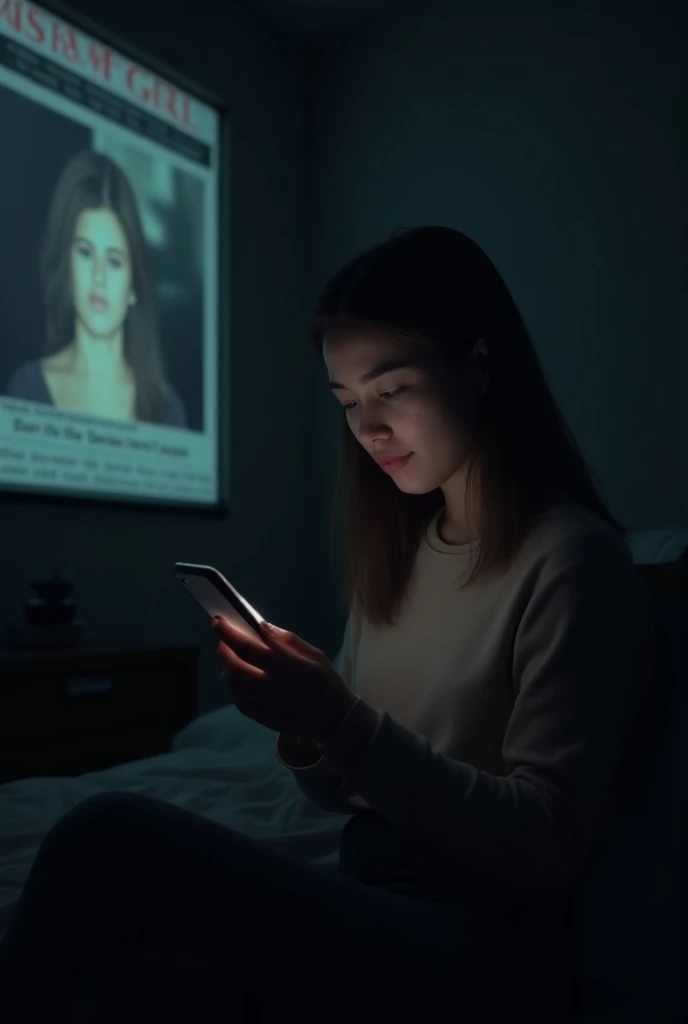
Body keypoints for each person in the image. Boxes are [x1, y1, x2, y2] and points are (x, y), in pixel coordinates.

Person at [0, 226, 652, 1023]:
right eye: (346, 402)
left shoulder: (576, 560)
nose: (367, 429)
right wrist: (305, 731)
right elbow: (347, 794)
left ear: (480, 367)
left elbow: (546, 844)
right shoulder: (402, 558)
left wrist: (339, 722)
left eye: (392, 389)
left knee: (106, 834)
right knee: (151, 985)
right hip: (369, 884)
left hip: (482, 940)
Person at [4, 149, 187, 428]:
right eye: (86, 253)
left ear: (133, 285)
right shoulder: (27, 389)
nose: (99, 277)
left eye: (114, 261)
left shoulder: (167, 407)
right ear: (68, 265)